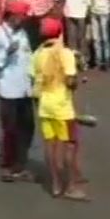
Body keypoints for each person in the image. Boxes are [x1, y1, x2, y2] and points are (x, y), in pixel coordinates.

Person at [30, 17, 88, 201]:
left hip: (44, 104)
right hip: (62, 106)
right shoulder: (65, 53)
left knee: (50, 145)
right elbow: (71, 81)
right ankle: (70, 186)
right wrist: (76, 79)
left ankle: (55, 184)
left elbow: (33, 77)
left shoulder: (37, 54)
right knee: (70, 145)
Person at [0, 0, 34, 182]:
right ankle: (7, 165)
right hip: (8, 89)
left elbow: (28, 57)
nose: (23, 19)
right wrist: (7, 51)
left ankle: (20, 164)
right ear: (11, 16)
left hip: (25, 88)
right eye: (20, 15)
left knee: (27, 128)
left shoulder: (22, 34)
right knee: (10, 130)